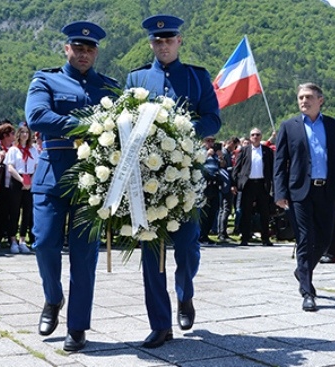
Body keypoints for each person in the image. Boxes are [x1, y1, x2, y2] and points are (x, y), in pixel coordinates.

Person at [126, 14, 221, 348]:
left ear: (179, 42)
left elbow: (213, 119)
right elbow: (125, 120)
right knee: (151, 250)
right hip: (148, 177)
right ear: (151, 43)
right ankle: (160, 324)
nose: (163, 45)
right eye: (157, 41)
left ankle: (185, 293)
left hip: (186, 175)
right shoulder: (136, 78)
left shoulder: (196, 78)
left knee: (187, 247)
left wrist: (180, 131)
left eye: (169, 40)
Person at [25, 20, 119, 352]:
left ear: (96, 52)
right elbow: (36, 117)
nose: (83, 54)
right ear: (67, 49)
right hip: (52, 177)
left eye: (89, 49)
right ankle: (53, 298)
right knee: (44, 243)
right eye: (77, 48)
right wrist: (85, 124)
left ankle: (77, 326)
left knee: (84, 256)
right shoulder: (45, 79)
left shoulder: (109, 88)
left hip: (93, 181)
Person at [274, 83, 335, 312]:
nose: (303, 101)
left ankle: (303, 270)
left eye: (309, 97)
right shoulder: (289, 126)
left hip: (327, 190)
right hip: (299, 190)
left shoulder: (333, 125)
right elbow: (280, 162)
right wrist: (279, 192)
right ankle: (308, 292)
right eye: (300, 97)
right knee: (305, 239)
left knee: (326, 239)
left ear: (320, 100)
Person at [232, 128, 274, 247]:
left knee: (264, 213)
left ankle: (265, 238)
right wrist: (234, 184)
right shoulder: (244, 150)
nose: (255, 136)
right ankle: (245, 238)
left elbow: (272, 168)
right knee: (246, 213)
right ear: (250, 137)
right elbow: (237, 167)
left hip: (262, 185)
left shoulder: (267, 151)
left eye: (257, 135)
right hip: (248, 185)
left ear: (261, 137)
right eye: (253, 135)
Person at [4, 124, 38, 253]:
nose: (25, 135)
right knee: (14, 210)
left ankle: (23, 239)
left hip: (29, 180)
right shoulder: (13, 150)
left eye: (27, 132)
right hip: (17, 179)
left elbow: (36, 166)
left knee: (27, 211)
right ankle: (13, 239)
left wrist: (30, 182)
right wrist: (21, 179)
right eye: (22, 132)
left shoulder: (33, 150)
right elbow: (10, 167)